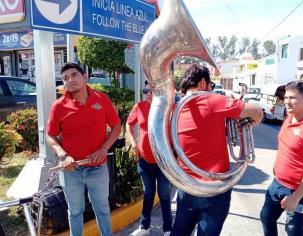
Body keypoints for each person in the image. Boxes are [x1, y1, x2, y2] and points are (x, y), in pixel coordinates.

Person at [171, 64, 263, 236]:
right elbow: (257, 112)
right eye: (210, 85)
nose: (210, 89)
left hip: (186, 184)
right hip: (214, 187)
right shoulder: (211, 100)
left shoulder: (175, 107)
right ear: (202, 83)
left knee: (180, 231)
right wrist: (244, 127)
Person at [46, 63, 121, 236]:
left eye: (74, 75)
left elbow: (116, 126)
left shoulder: (101, 99)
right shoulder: (59, 105)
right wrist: (63, 155)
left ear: (85, 76)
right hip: (71, 169)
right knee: (75, 211)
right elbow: (50, 135)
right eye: (65, 78)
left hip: (98, 167)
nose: (70, 80)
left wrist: (104, 149)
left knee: (102, 208)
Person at [260, 81, 303, 236]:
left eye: (292, 98)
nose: (286, 101)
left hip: (299, 191)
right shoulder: (290, 116)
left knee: (293, 230)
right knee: (266, 218)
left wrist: (295, 198)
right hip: (277, 183)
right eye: (286, 97)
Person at [126, 81, 172, 236]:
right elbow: (129, 124)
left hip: (163, 161)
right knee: (148, 193)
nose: (148, 94)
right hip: (144, 159)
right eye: (146, 90)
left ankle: (167, 229)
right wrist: (133, 144)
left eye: (152, 90)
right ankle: (144, 227)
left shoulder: (167, 108)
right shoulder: (139, 107)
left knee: (165, 195)